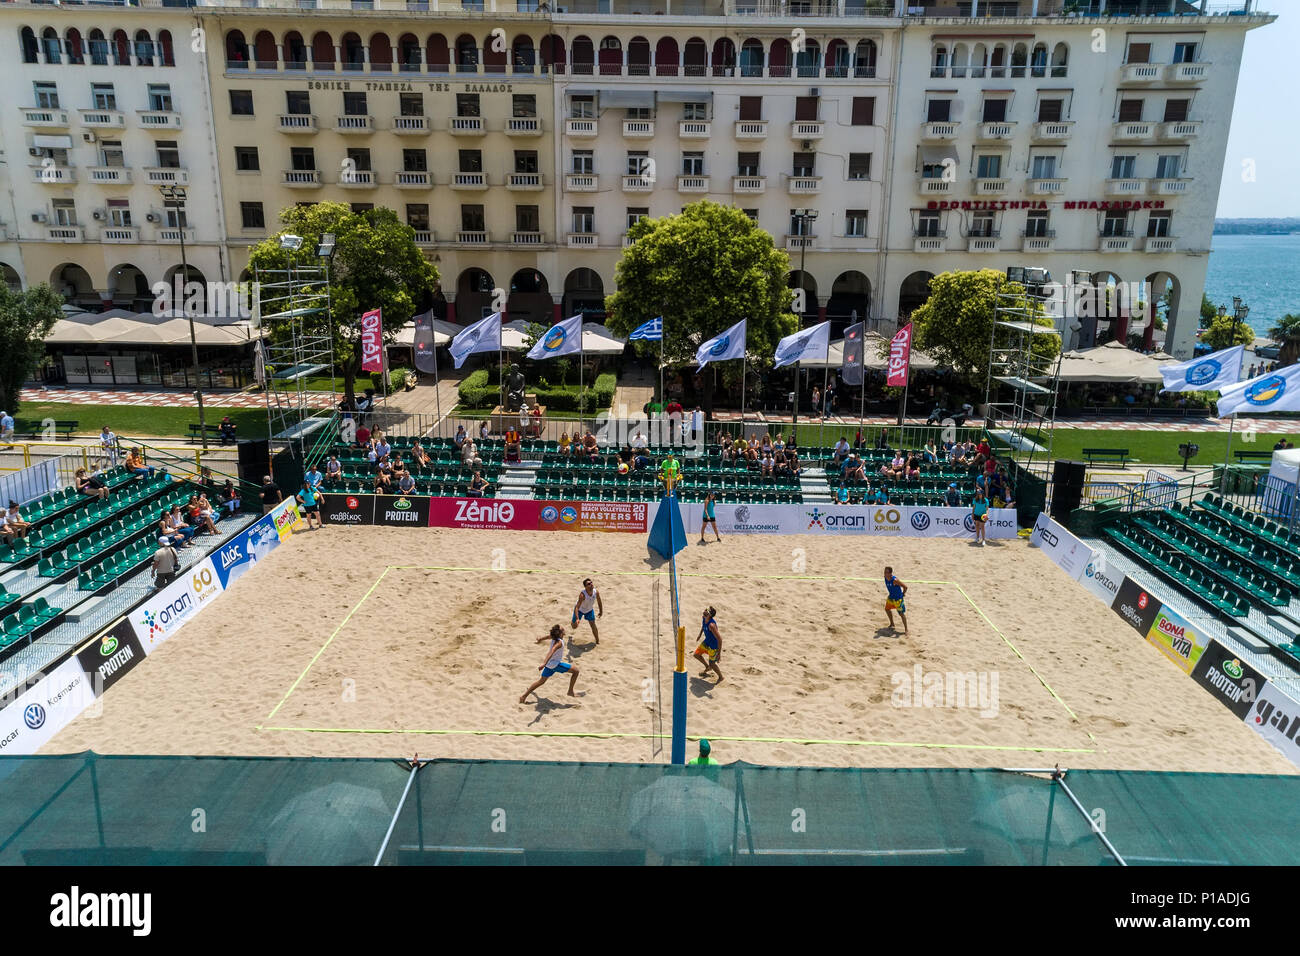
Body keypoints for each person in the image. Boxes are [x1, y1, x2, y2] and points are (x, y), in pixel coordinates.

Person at [519, 624, 580, 703]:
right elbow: (552, 651)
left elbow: (548, 637)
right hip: (555, 665)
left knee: (541, 681)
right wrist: (544, 663)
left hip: (549, 665)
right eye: (562, 629)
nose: (563, 628)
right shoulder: (559, 643)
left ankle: (523, 696)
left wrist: (540, 639)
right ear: (561, 633)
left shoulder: (554, 637)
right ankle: (570, 691)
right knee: (576, 671)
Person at [693, 606, 723, 684]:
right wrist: (700, 634)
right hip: (707, 642)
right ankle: (707, 667)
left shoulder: (712, 625)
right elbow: (703, 626)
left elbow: (720, 639)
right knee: (696, 654)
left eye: (706, 611)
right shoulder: (704, 618)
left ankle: (721, 677)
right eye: (705, 609)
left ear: (709, 615)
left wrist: (719, 653)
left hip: (713, 646)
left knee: (712, 664)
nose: (704, 611)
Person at [571, 577, 603, 645]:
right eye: (589, 584)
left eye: (591, 582)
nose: (591, 584)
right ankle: (572, 622)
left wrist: (601, 611)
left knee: (593, 625)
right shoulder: (582, 595)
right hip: (580, 610)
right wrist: (577, 618)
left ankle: (597, 641)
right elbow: (577, 607)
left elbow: (599, 602)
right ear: (585, 587)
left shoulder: (596, 592)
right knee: (574, 626)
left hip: (589, 610)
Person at [883, 566, 908, 634]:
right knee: (887, 609)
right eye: (884, 572)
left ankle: (906, 630)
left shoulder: (895, 580)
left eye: (887, 572)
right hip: (891, 597)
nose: (885, 573)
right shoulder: (885, 578)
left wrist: (903, 594)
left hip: (898, 599)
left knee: (901, 614)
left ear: (891, 573)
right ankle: (892, 624)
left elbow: (905, 587)